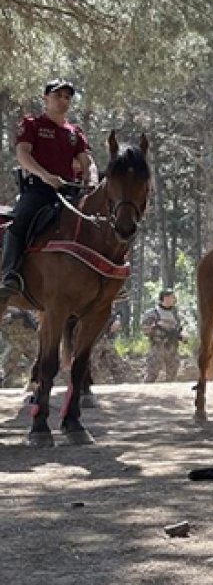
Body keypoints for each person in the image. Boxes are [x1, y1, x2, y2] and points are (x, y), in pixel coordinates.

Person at [0, 79, 98, 297]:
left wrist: (91, 181)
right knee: (20, 222)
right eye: (57, 95)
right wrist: (45, 175)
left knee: (97, 224)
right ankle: (9, 274)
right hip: (38, 191)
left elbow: (87, 162)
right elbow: (23, 154)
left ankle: (104, 280)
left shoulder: (75, 133)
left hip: (70, 193)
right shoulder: (32, 124)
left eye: (67, 97)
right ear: (45, 98)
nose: (63, 101)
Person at [141, 289, 184, 383]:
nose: (174, 299)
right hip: (158, 346)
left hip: (172, 346)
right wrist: (156, 325)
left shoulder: (175, 313)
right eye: (172, 297)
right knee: (152, 372)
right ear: (166, 298)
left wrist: (181, 336)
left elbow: (179, 328)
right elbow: (145, 329)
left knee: (173, 372)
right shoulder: (152, 313)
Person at [0, 307, 38, 388]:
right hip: (21, 331)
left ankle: (34, 381)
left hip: (26, 330)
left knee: (34, 357)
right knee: (11, 358)